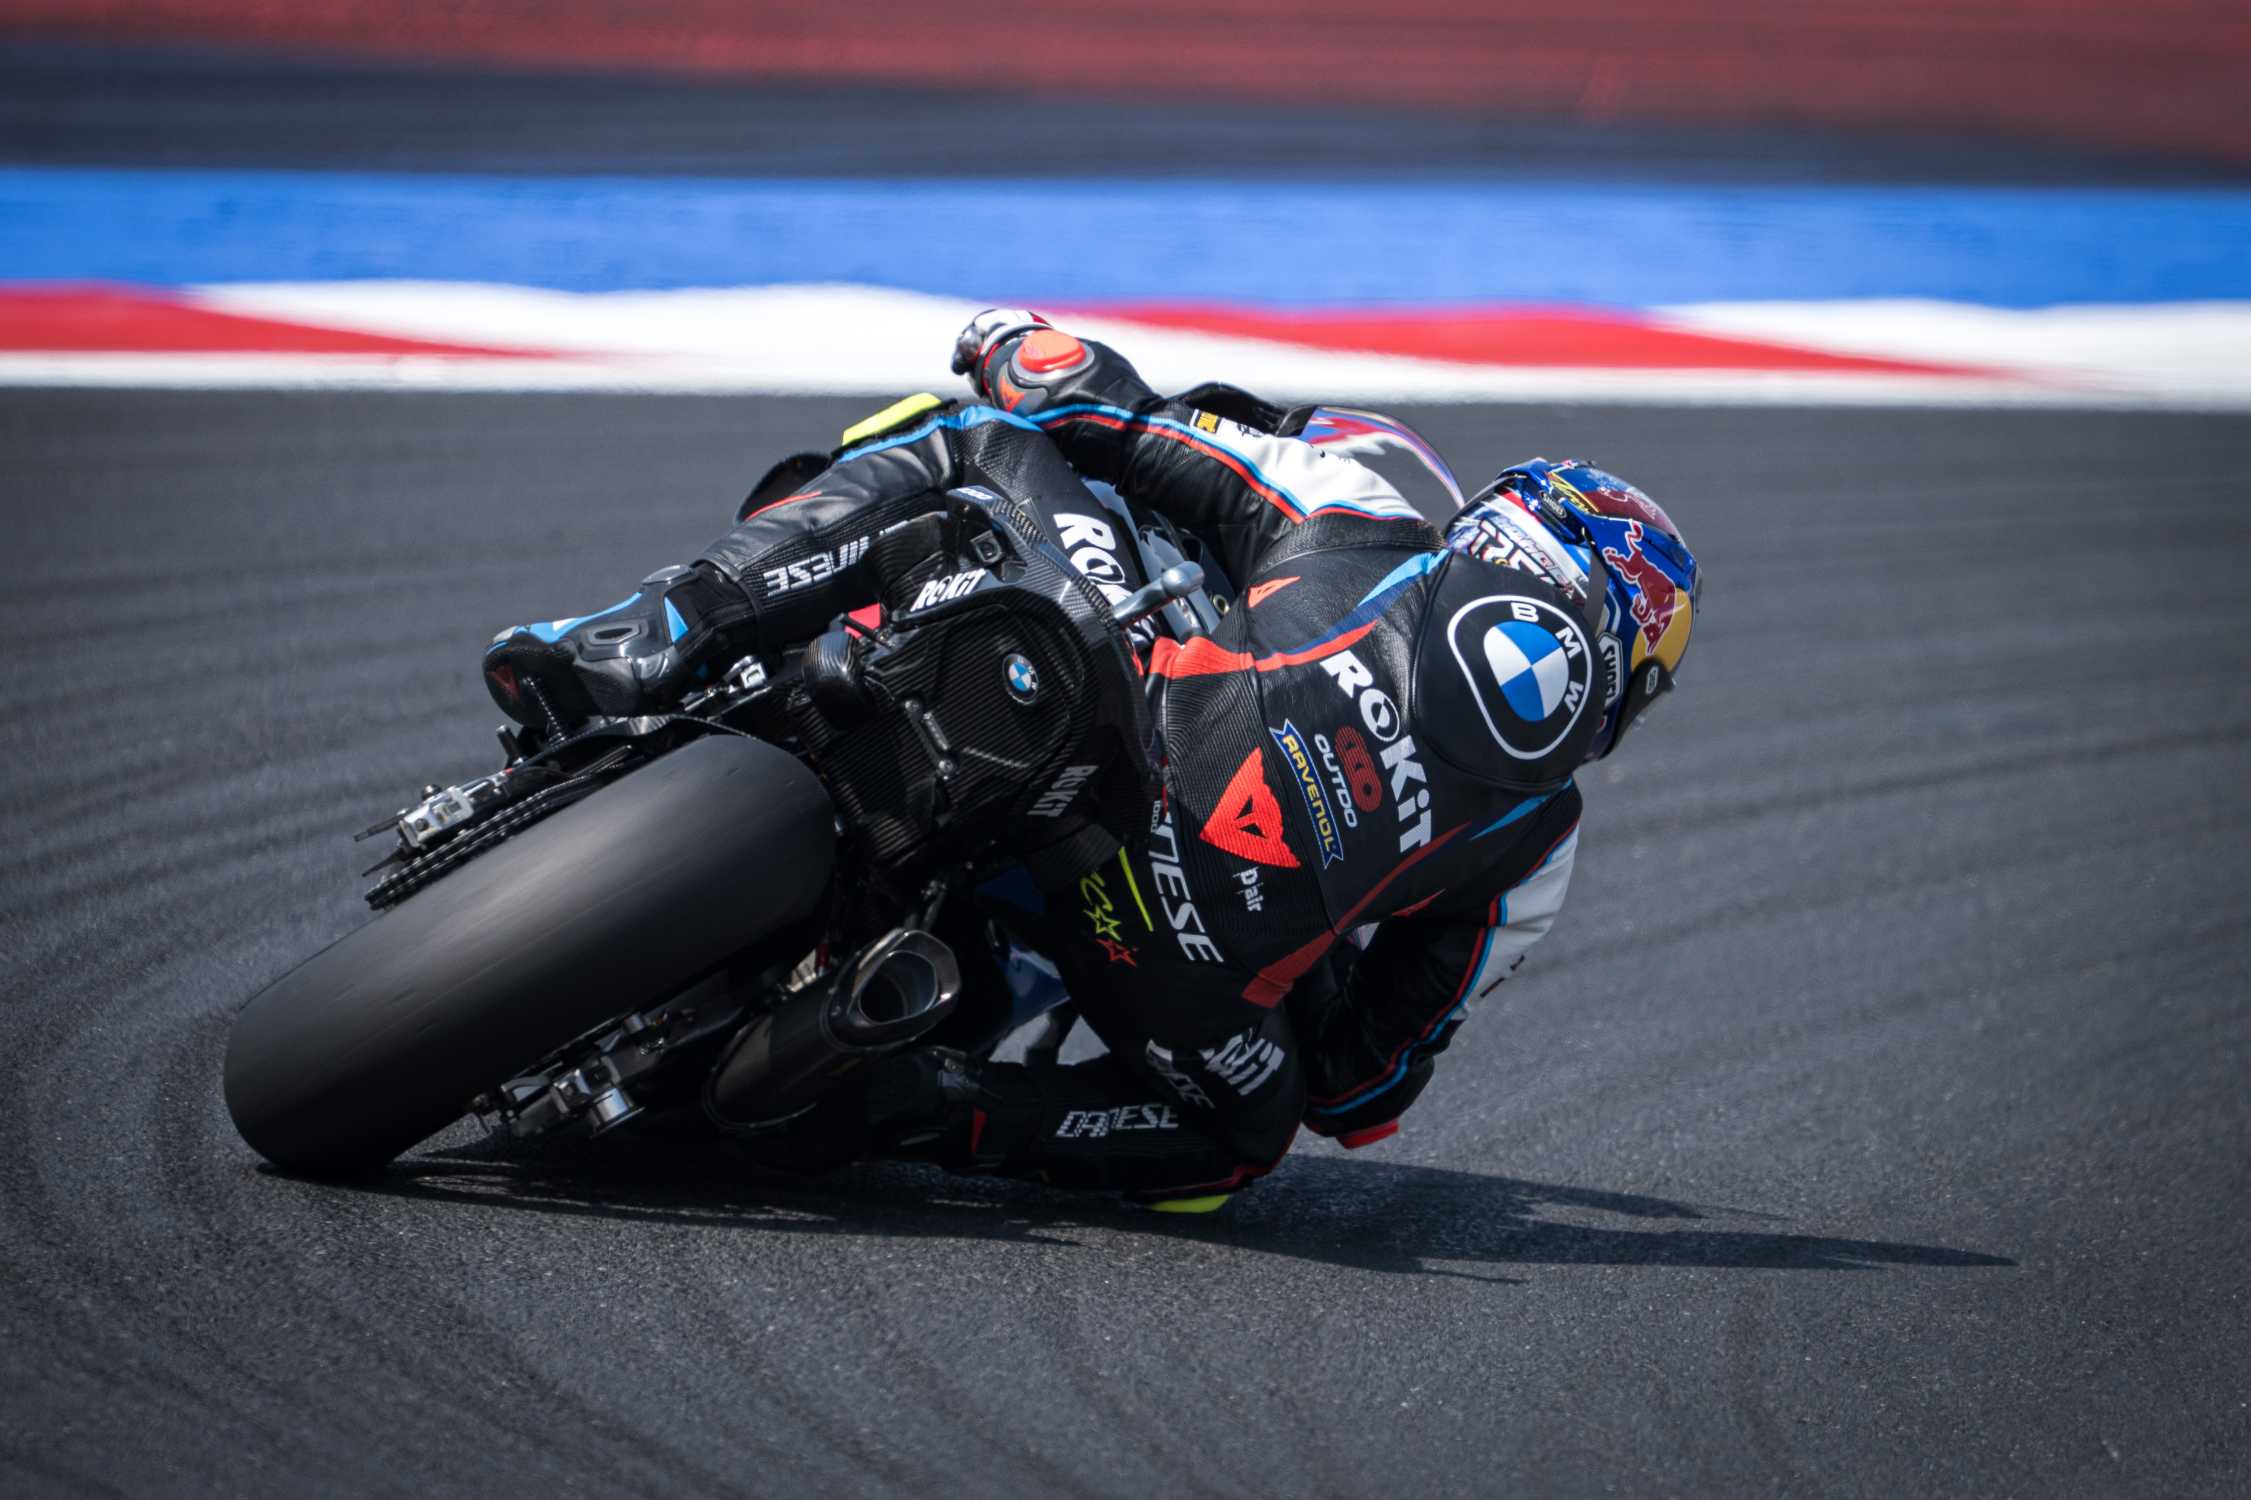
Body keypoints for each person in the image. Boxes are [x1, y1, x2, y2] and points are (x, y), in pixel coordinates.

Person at [483, 310, 1701, 1210]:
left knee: (975, 443)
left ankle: (660, 631)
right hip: (1161, 953)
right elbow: (1356, 1089)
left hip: (1117, 719)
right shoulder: (1539, 847)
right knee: (1240, 1141)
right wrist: (1300, 920)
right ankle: (921, 1101)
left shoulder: (1371, 514)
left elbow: (1106, 418)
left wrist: (1013, 344)